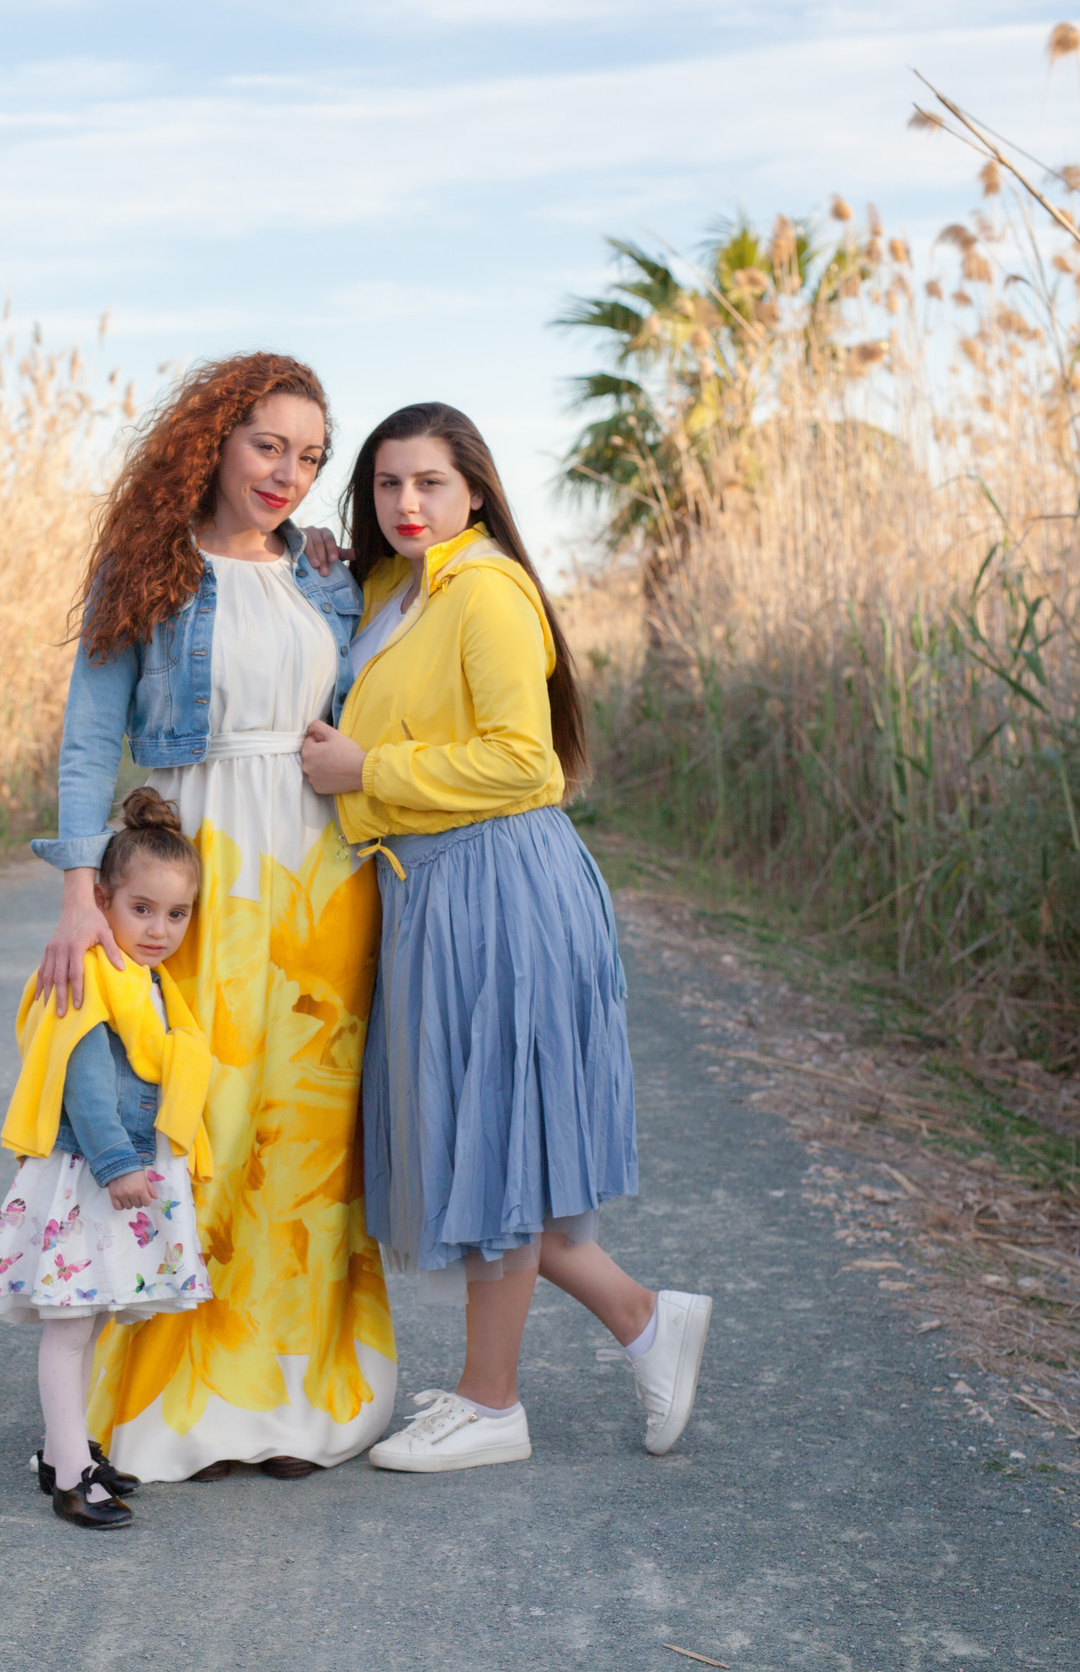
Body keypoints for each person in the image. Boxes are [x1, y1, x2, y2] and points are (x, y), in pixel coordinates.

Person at [298, 402, 713, 1473]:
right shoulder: (397, 588)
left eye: (430, 483)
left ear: (474, 489)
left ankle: (492, 1406)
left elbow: (524, 765)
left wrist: (368, 774)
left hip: (498, 884)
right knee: (495, 1143)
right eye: (388, 484)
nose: (406, 504)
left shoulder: (486, 590)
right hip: (435, 888)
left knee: (492, 1140)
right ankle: (642, 1321)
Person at [33, 351, 395, 1483]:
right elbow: (93, 738)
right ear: (215, 442)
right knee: (190, 1120)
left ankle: (294, 1403)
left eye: (311, 457)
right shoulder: (147, 567)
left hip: (320, 880)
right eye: (268, 446)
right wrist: (79, 888)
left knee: (305, 1141)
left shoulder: (326, 577)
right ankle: (166, 1402)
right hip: (200, 869)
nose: (289, 474)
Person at [0, 788, 216, 1528]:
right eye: (142, 908)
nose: (160, 928)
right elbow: (82, 1076)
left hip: (123, 1172)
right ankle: (71, 1479)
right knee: (69, 1324)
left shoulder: (152, 983)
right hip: (93, 1172)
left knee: (96, 1317)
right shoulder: (91, 973)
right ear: (102, 898)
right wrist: (117, 1162)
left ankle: (64, 1449)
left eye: (177, 914)